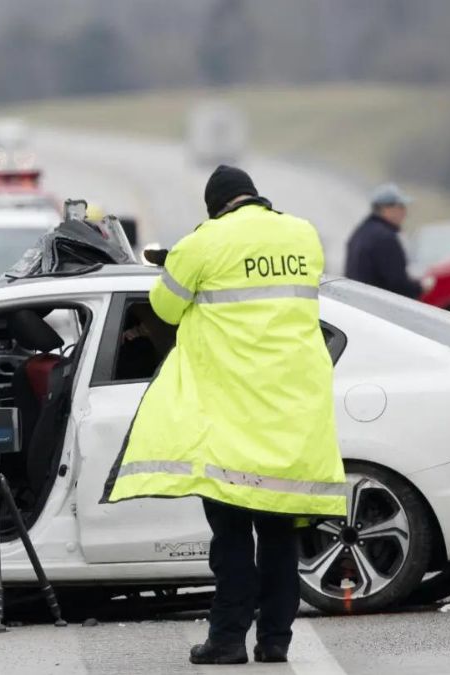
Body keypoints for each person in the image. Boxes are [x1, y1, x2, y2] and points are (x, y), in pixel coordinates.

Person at [101, 165, 347, 665]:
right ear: (254, 196)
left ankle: (228, 639)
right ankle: (275, 640)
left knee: (232, 539)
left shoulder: (204, 242)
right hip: (292, 412)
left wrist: (181, 267)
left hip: (231, 417)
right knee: (279, 537)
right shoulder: (303, 234)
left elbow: (164, 308)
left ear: (214, 206)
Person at [344, 183, 423, 298]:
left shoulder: (360, 232)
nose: (405, 212)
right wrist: (420, 287)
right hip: (376, 305)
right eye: (400, 206)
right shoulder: (385, 238)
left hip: (357, 301)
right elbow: (397, 283)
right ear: (385, 208)